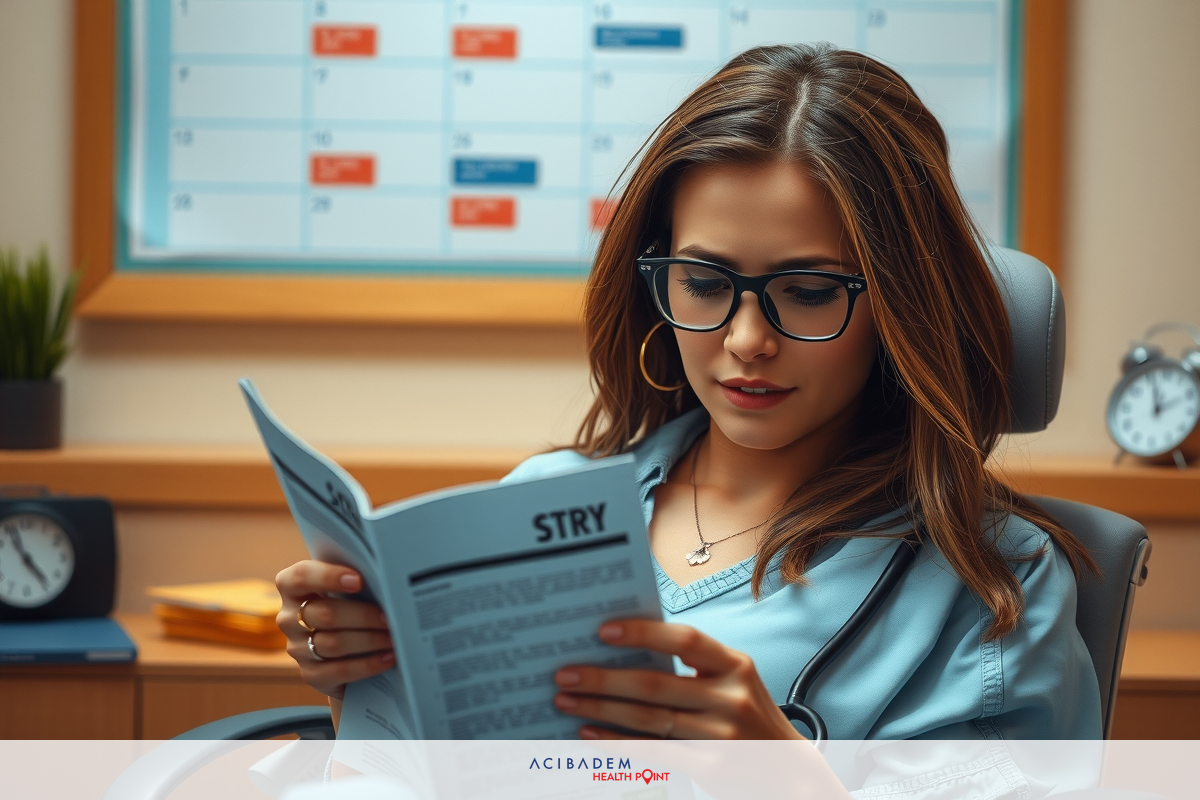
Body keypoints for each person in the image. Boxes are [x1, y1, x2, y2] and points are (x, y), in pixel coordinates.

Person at [275, 43, 1102, 755]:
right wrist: (363, 679)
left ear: (899, 305)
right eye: (704, 282)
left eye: (809, 291)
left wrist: (786, 781)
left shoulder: (997, 586)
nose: (747, 340)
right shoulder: (541, 498)